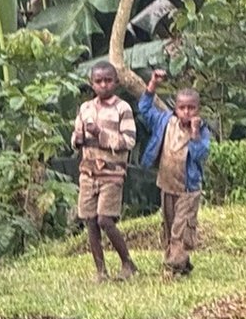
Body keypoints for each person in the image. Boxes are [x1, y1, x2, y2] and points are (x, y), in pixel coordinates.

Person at [138, 69, 211, 277]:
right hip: (167, 184)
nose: (187, 112)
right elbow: (144, 109)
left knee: (181, 228)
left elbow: (199, 155)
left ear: (198, 109)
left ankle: (172, 267)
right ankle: (181, 264)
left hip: (188, 189)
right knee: (170, 227)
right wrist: (153, 84)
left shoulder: (202, 131)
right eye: (182, 108)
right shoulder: (165, 122)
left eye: (191, 108)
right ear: (175, 108)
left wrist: (195, 133)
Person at [72, 59, 138, 281]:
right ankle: (101, 271)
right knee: (90, 220)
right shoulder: (85, 108)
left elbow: (129, 141)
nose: (103, 85)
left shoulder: (122, 108)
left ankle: (127, 262)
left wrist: (100, 134)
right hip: (88, 172)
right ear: (91, 83)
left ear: (116, 82)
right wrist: (77, 139)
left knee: (105, 220)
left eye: (108, 80)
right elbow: (76, 137)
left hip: (112, 173)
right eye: (99, 81)